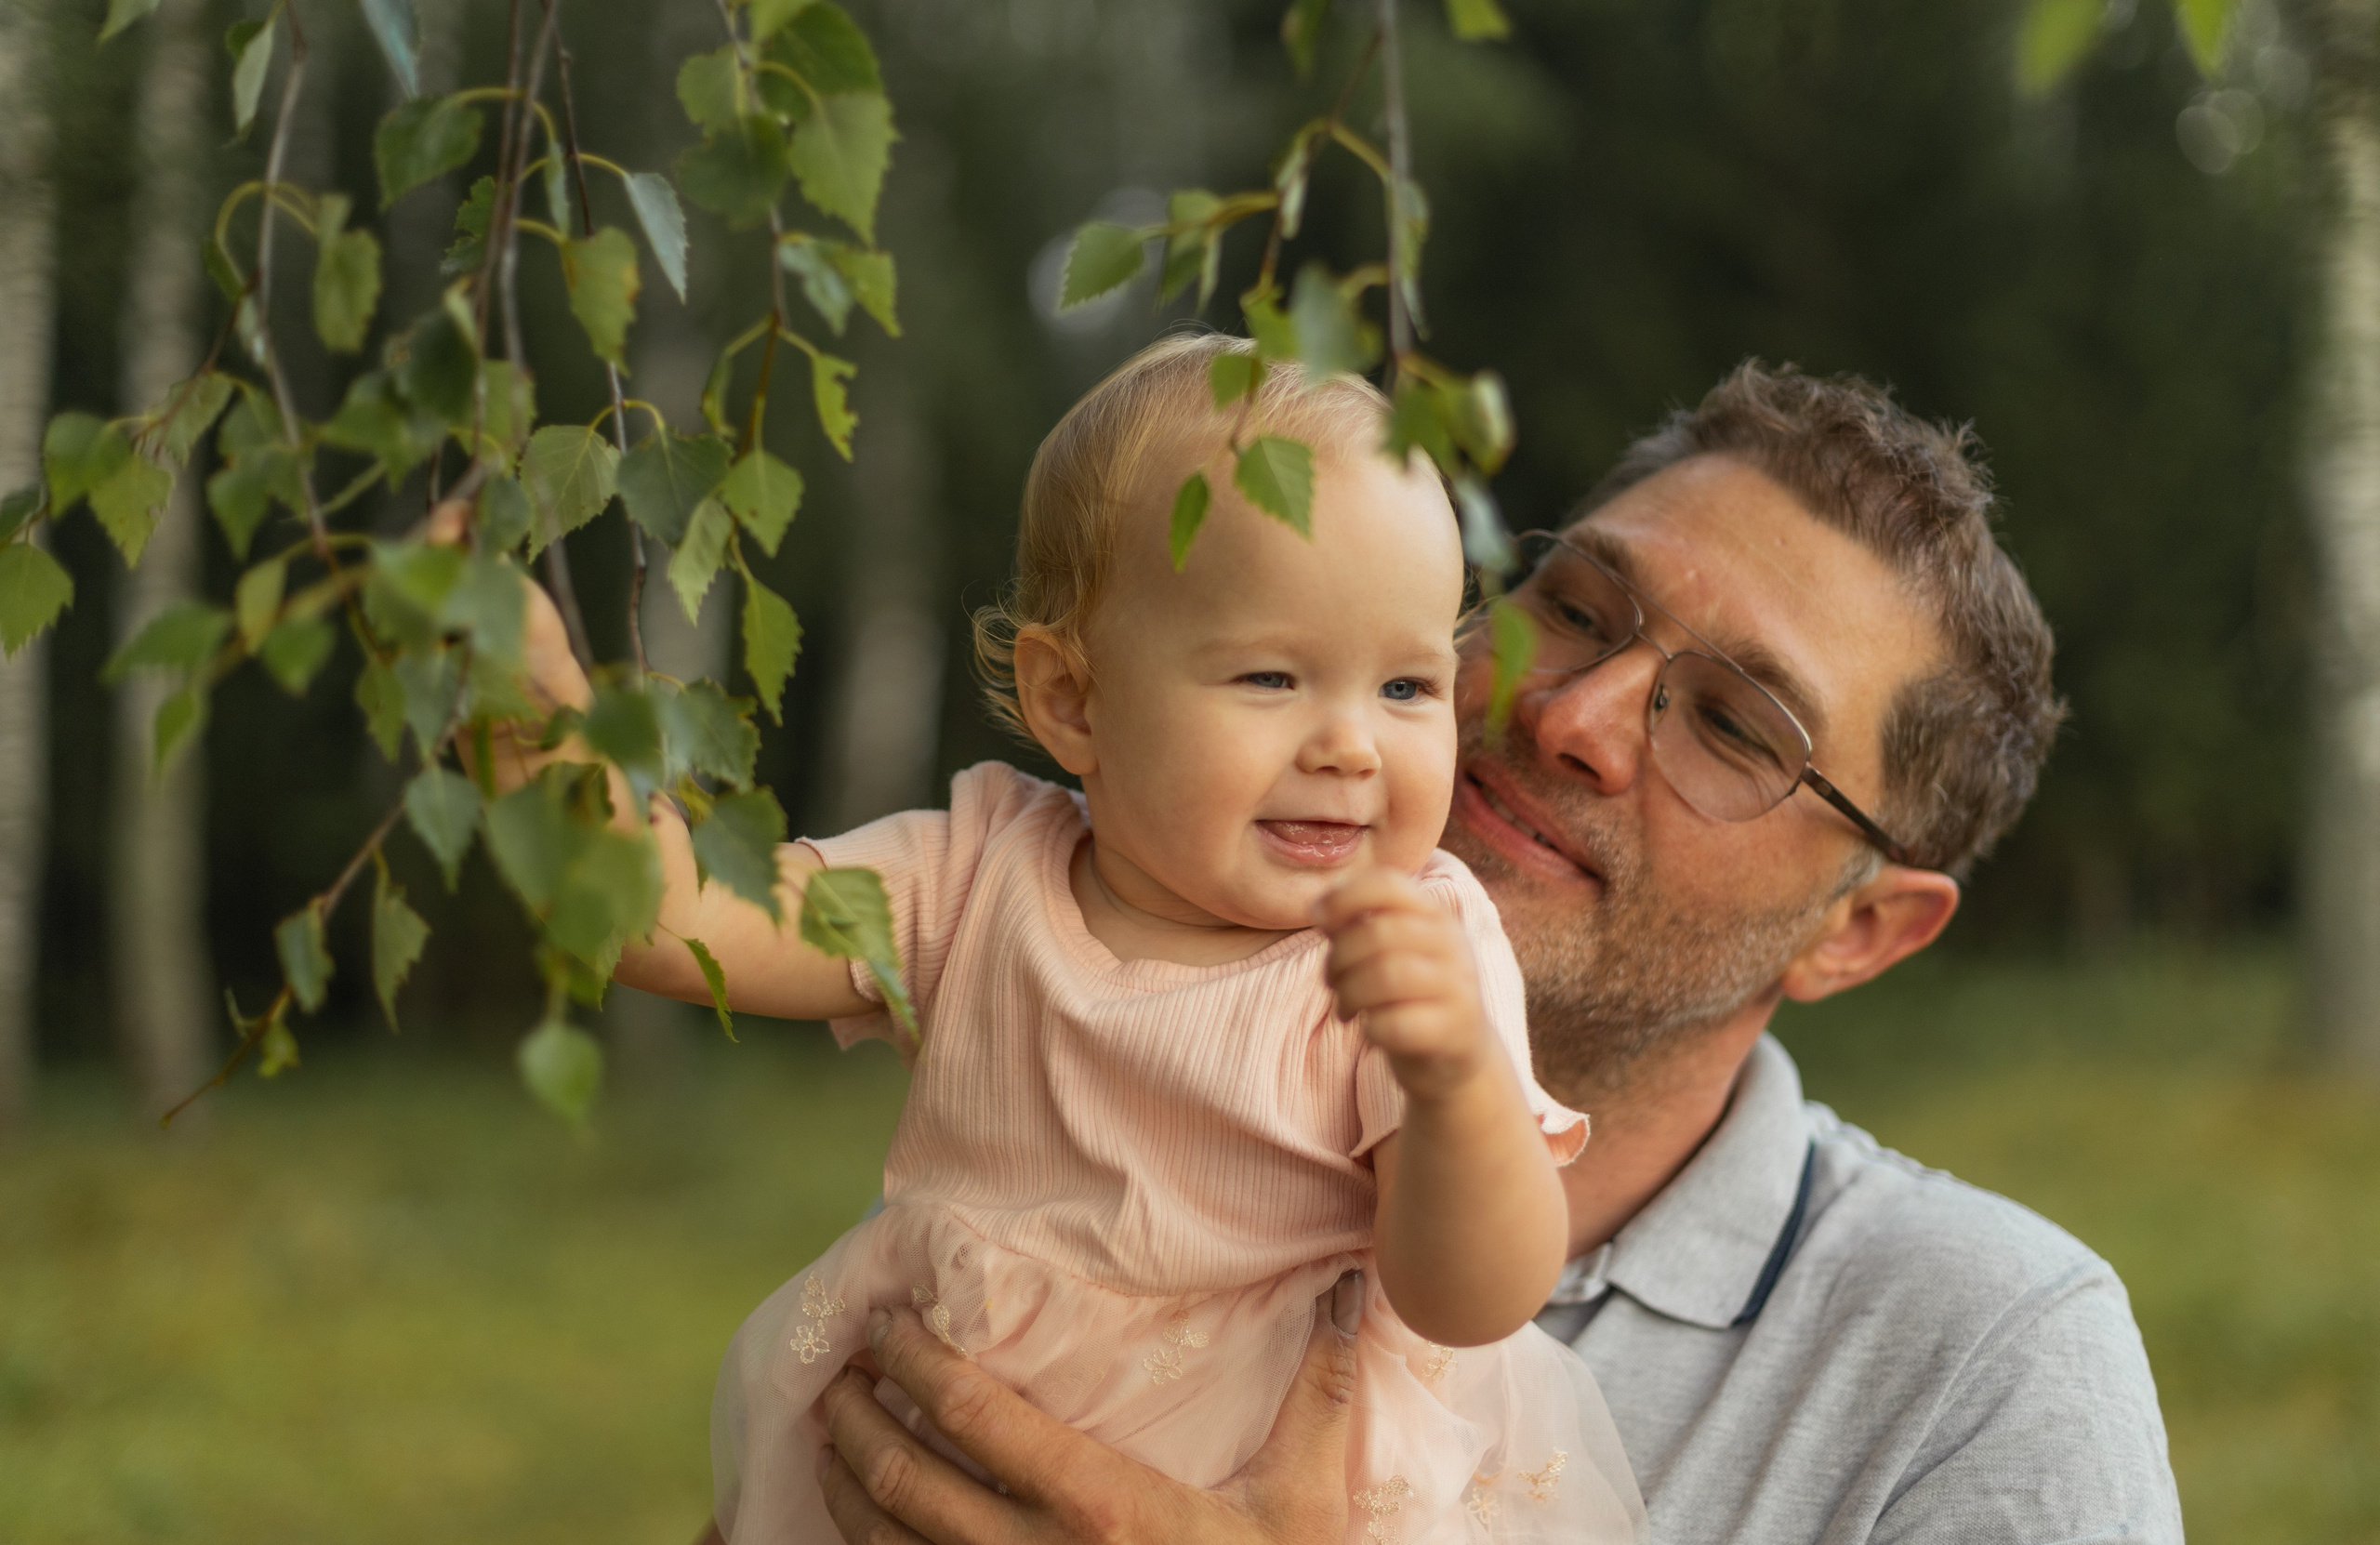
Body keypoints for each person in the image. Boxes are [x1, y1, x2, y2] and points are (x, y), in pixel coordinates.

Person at [794, 363, 2186, 1545]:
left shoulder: (1986, 1360)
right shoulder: (1094, 1067)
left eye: (1738, 728)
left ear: (1860, 931)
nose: (1574, 712)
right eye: (1576, 606)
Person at [498, 335, 1644, 1543]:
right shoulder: (980, 869)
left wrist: (1458, 1080)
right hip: (941, 1478)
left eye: (1407, 688)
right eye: (1270, 676)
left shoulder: (1406, 954)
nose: (1353, 746)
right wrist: (528, 727)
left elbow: (1475, 1296)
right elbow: (685, 920)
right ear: (1074, 700)